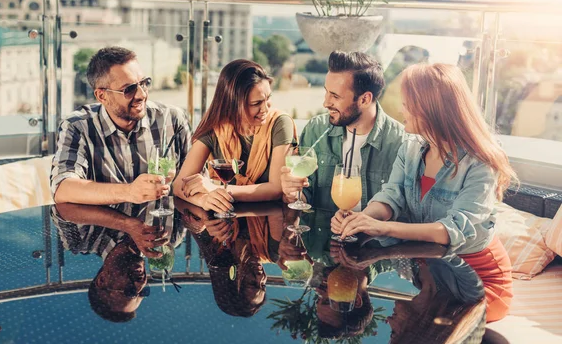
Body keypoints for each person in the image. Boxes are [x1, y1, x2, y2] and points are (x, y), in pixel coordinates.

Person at [332, 63, 515, 322]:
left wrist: (383, 228)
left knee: (421, 326)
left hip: (480, 280)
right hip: (433, 270)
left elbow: (453, 231)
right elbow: (391, 196)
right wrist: (361, 219)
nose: (401, 110)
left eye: (407, 103)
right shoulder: (411, 148)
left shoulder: (479, 163)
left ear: (430, 108)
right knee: (413, 325)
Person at [51, 46, 191, 205]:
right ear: (102, 96)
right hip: (103, 228)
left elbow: (195, 180)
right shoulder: (78, 126)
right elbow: (62, 188)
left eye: (144, 83)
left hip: (164, 227)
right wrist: (129, 192)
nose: (142, 94)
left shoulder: (172, 119)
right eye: (129, 89)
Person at [280, 51, 406, 213]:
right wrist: (292, 191)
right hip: (323, 236)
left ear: (364, 99)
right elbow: (305, 195)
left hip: (374, 237)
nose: (326, 103)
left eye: (335, 96)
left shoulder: (400, 142)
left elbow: (404, 209)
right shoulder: (316, 129)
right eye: (326, 92)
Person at [174, 59, 296, 214]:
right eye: (256, 103)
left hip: (268, 221)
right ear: (233, 103)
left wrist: (216, 188)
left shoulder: (279, 123)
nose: (265, 108)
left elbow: (276, 188)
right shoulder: (215, 128)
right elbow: (179, 185)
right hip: (224, 225)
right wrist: (203, 200)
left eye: (268, 98)